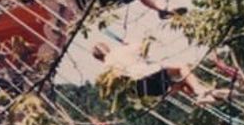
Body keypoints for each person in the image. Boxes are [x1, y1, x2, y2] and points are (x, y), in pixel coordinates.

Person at [91, 40, 228, 104]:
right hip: (147, 75)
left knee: (180, 84)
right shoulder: (119, 50)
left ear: (98, 59)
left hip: (143, 91)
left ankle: (206, 95)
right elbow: (141, 46)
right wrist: (128, 44)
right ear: (107, 47)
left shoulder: (106, 70)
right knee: (181, 67)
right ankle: (200, 91)